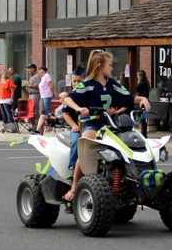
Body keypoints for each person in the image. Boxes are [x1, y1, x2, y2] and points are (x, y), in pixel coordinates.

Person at [61, 50, 150, 202]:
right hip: (93, 124)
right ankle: (75, 186)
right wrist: (78, 108)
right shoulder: (87, 85)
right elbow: (69, 98)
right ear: (100, 66)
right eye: (110, 65)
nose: (112, 68)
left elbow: (128, 97)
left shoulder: (112, 84)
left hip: (111, 124)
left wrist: (142, 99)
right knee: (86, 145)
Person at [135, 70, 150, 138]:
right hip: (146, 101)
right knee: (143, 118)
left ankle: (144, 133)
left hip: (142, 103)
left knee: (142, 119)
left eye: (138, 76)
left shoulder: (140, 84)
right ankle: (144, 133)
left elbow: (136, 88)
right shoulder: (146, 83)